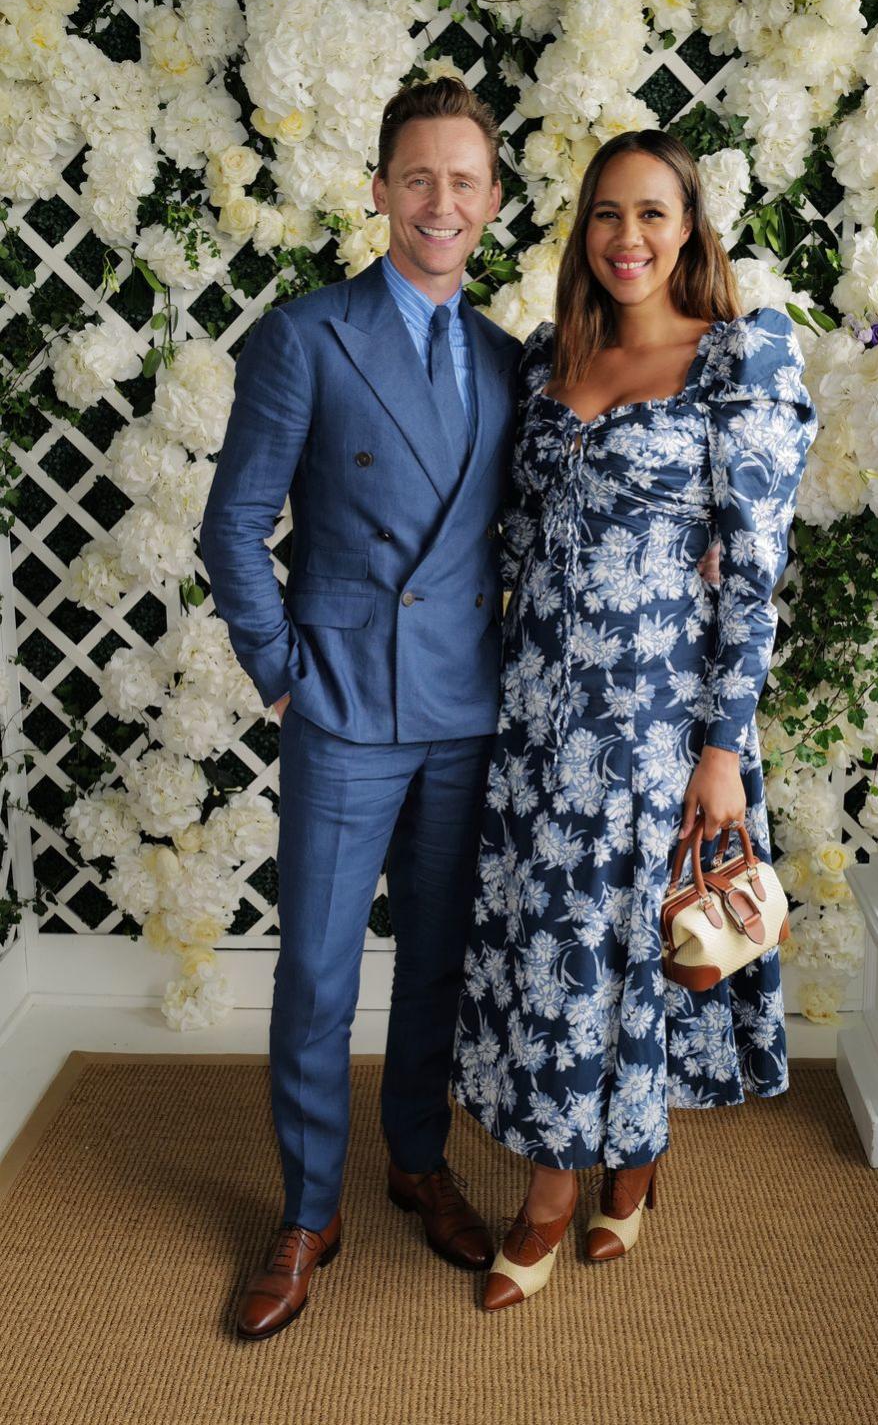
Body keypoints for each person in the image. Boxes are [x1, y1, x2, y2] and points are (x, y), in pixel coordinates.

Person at [449, 128, 818, 1311]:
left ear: (692, 228)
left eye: (654, 214)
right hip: (541, 716)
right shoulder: (550, 359)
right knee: (559, 948)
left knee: (632, 949)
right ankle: (608, 1165)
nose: (629, 239)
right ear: (583, 230)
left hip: (662, 725)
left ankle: (574, 1184)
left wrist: (722, 746)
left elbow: (755, 570)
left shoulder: (737, 361)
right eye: (608, 215)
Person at [200, 78, 523, 1340]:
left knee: (438, 958)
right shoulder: (306, 336)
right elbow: (235, 522)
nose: (441, 201)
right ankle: (307, 1204)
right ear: (380, 189)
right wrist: (280, 666)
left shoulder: (508, 358)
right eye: (419, 177)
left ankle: (416, 1159)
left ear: (492, 201)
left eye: (465, 180)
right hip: (338, 705)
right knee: (319, 971)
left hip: (466, 705)